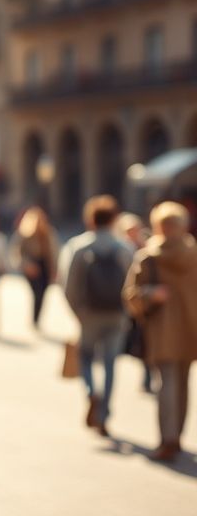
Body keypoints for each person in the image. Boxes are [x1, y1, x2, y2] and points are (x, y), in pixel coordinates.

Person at [123, 201, 197, 462]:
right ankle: (176, 436)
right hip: (191, 330)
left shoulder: (148, 256)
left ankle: (168, 439)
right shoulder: (193, 252)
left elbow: (131, 296)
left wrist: (150, 294)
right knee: (182, 384)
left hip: (162, 331)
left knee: (166, 384)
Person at [61, 195, 132, 438]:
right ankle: (103, 414)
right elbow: (133, 284)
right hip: (116, 314)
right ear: (114, 219)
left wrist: (77, 313)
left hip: (89, 313)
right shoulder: (124, 248)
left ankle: (92, 391)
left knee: (87, 358)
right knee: (111, 364)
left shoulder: (79, 247)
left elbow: (69, 286)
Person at [115, 212, 154, 393]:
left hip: (143, 304)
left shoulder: (148, 248)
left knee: (145, 340)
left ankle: (147, 376)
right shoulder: (120, 249)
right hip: (127, 302)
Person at [10, 206, 58, 329]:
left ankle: (38, 318)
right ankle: (34, 319)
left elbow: (53, 252)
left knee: (43, 293)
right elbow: (16, 252)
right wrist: (26, 265)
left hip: (44, 265)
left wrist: (54, 269)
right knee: (36, 293)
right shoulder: (24, 233)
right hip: (31, 264)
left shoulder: (48, 233)